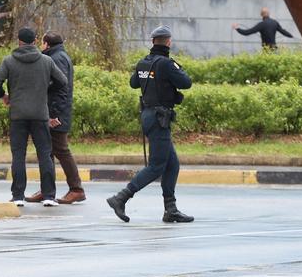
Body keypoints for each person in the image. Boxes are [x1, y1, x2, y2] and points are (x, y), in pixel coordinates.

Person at [106, 25, 194, 223]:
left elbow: (134, 83)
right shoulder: (166, 64)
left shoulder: (143, 63)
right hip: (159, 117)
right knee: (156, 166)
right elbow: (186, 82)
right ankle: (121, 197)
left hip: (148, 115)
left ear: (153, 42)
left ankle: (170, 209)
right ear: (168, 42)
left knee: (172, 164)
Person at [0, 27, 68, 207]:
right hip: (40, 114)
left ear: (19, 41)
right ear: (35, 41)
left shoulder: (9, 61)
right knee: (45, 154)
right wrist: (44, 90)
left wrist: (3, 96)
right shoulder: (46, 61)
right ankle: (49, 195)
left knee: (18, 155)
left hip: (17, 114)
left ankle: (18, 196)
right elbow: (62, 81)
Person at [25, 32, 85, 205]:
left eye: (42, 43)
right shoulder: (58, 56)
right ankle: (46, 190)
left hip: (55, 113)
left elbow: (60, 89)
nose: (41, 46)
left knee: (60, 150)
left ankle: (76, 189)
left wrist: (53, 115)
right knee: (48, 151)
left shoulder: (57, 58)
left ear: (47, 44)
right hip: (53, 111)